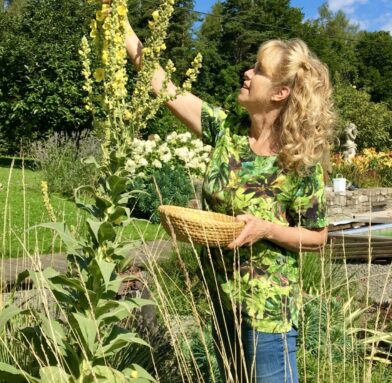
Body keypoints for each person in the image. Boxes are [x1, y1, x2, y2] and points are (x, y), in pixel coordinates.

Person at [104, 2, 334, 381]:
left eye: (258, 70)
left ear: (279, 93)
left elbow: (318, 236)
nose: (246, 73)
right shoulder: (226, 135)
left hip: (268, 314)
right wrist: (123, 27)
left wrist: (267, 229)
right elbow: (164, 86)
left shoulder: (299, 161)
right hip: (222, 301)